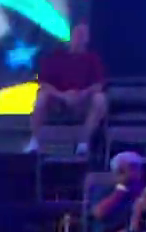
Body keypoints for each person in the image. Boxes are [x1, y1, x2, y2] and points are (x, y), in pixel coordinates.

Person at [26, 22, 107, 154]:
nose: (79, 38)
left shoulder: (93, 59)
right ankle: (34, 141)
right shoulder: (56, 57)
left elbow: (98, 84)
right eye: (77, 34)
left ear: (87, 39)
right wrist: (63, 96)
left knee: (100, 99)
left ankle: (83, 142)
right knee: (41, 97)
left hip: (82, 101)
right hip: (58, 100)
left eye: (83, 35)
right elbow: (44, 83)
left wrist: (82, 94)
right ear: (71, 36)